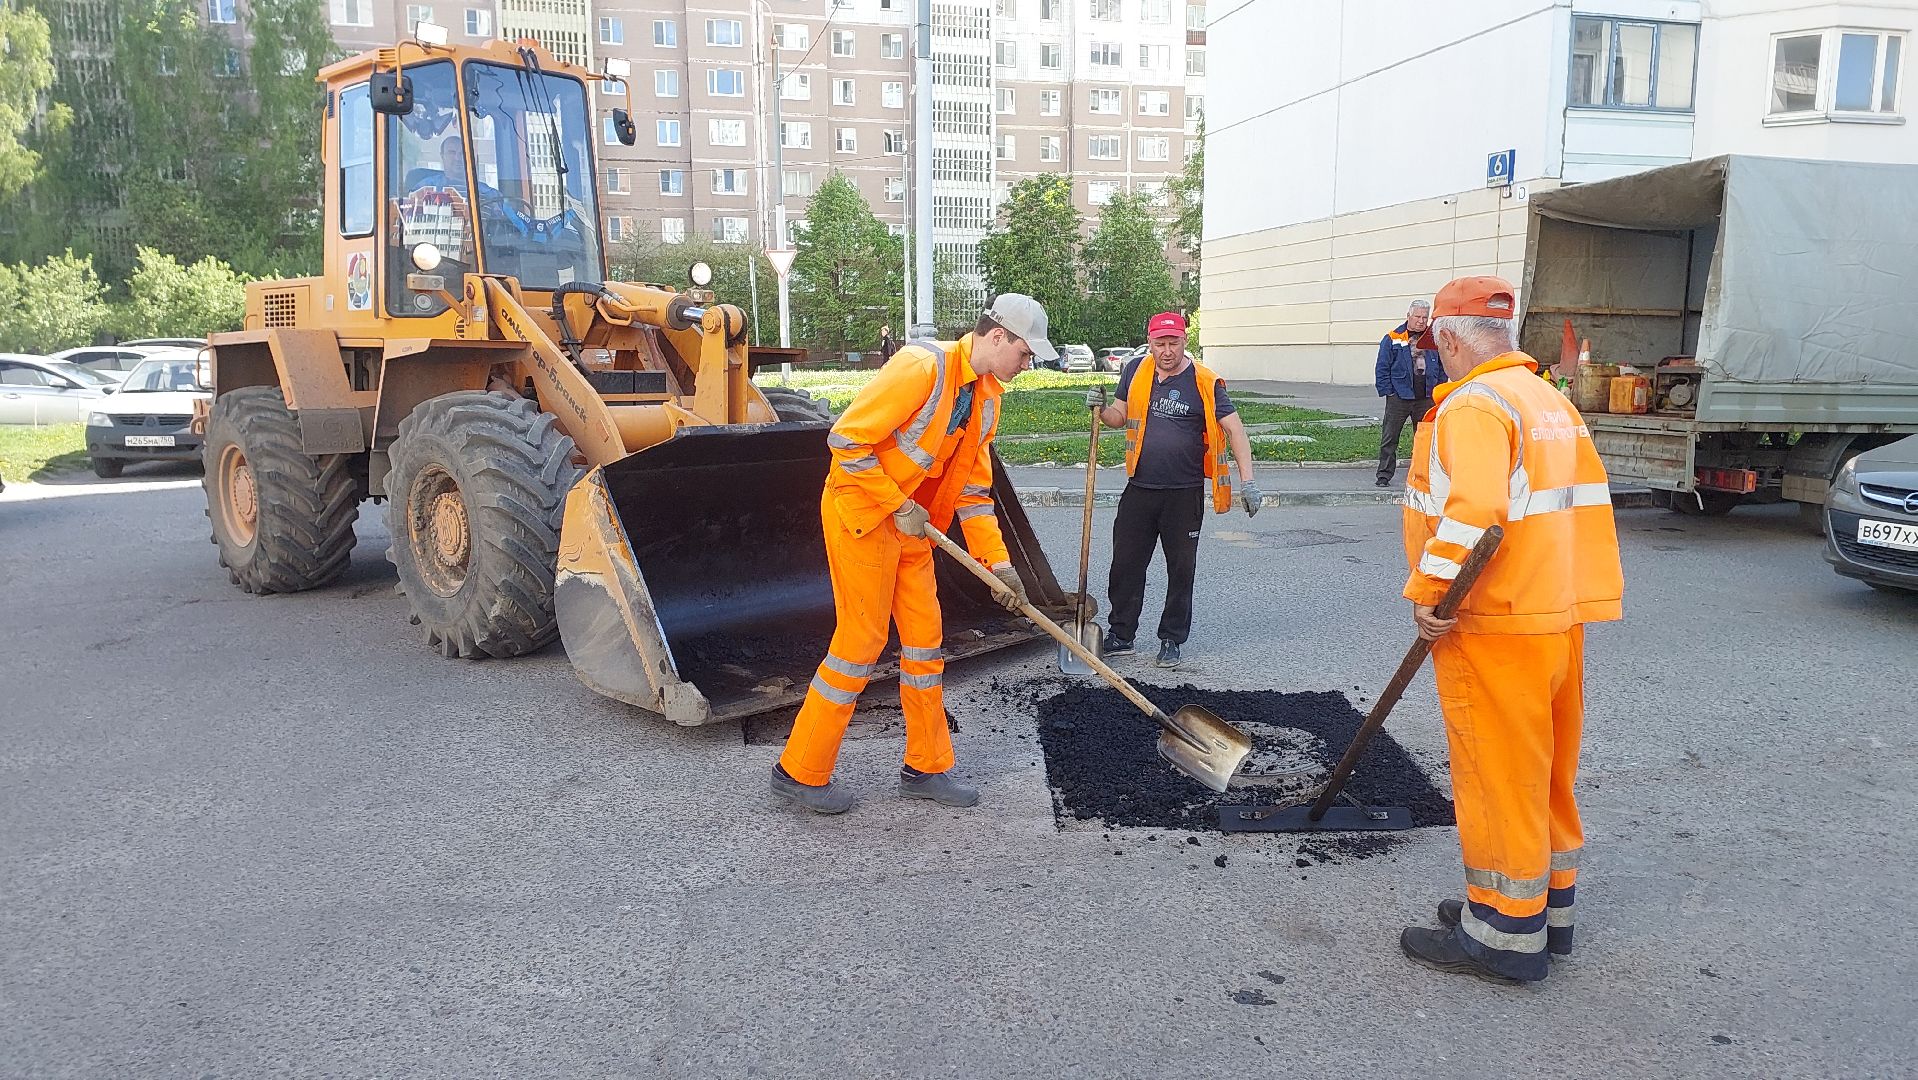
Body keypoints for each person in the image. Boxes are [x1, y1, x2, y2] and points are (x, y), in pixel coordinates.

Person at [1397, 275, 1623, 984]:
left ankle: (1501, 933)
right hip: (1556, 616)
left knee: (1498, 778)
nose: (1434, 356)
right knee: (1546, 773)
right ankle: (1545, 914)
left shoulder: (1474, 405)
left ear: (1450, 339)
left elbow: (1474, 513)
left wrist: (1431, 593)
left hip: (1494, 622)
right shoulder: (1546, 398)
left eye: (1434, 343)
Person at [772, 294, 1056, 814]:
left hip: (914, 531)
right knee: (860, 643)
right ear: (997, 337)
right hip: (864, 515)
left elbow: (973, 493)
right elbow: (846, 441)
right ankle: (800, 769)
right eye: (1025, 352)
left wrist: (1000, 567)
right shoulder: (920, 367)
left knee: (926, 646)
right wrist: (896, 503)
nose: (1027, 363)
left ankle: (926, 768)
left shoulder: (987, 399)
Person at [1087, 311, 1261, 670]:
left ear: (1185, 341)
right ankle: (1122, 635)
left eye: (1173, 343)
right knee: (1125, 564)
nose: (1166, 351)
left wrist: (1249, 481)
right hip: (1139, 486)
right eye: (1159, 343)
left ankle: (1171, 639)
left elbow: (1236, 430)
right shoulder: (1135, 371)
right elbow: (1120, 417)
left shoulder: (1205, 382)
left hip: (1184, 492)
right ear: (1149, 342)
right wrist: (1102, 410)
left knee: (1181, 568)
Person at [1375, 300, 1436, 487]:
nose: (1421, 321)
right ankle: (1384, 475)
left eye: (1425, 317)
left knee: (1425, 440)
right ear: (1408, 316)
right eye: (1418, 316)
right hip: (1399, 397)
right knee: (1390, 437)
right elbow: (1382, 367)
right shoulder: (1393, 337)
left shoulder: (1432, 338)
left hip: (1425, 398)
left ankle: (1422, 475)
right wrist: (1389, 392)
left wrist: (1438, 389)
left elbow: (1441, 366)